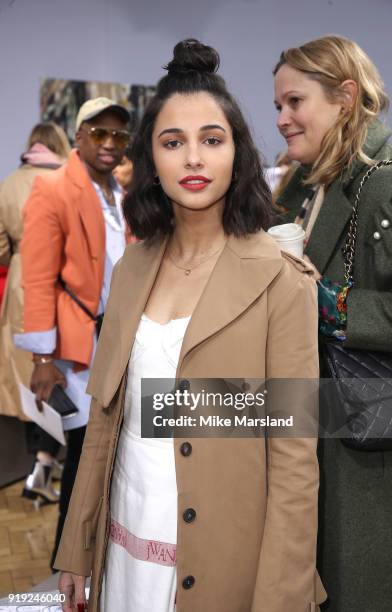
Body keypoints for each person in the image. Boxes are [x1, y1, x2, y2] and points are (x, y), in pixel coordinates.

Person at [55, 40, 326, 612]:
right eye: (173, 143)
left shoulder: (281, 281)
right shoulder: (132, 269)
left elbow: (296, 464)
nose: (194, 159)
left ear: (238, 153)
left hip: (223, 563)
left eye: (212, 140)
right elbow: (105, 419)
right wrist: (77, 549)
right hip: (125, 545)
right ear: (152, 160)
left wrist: (280, 598)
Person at [273, 35, 392, 611]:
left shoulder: (384, 181)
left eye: (294, 102)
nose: (282, 119)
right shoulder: (314, 180)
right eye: (277, 106)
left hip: (368, 443)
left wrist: (332, 307)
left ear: (345, 97)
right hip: (329, 421)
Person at [14, 98, 131, 567]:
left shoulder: (120, 195)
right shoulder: (54, 188)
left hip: (116, 342)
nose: (109, 144)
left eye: (119, 136)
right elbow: (38, 278)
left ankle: (97, 559)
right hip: (75, 350)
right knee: (84, 458)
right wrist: (42, 360)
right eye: (99, 133)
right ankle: (68, 567)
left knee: (110, 456)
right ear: (78, 136)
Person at [0, 122, 71, 502]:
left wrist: (19, 259)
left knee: (30, 378)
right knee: (57, 377)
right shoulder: (67, 181)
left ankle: (38, 466)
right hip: (57, 283)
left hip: (19, 283)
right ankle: (45, 468)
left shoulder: (9, 183)